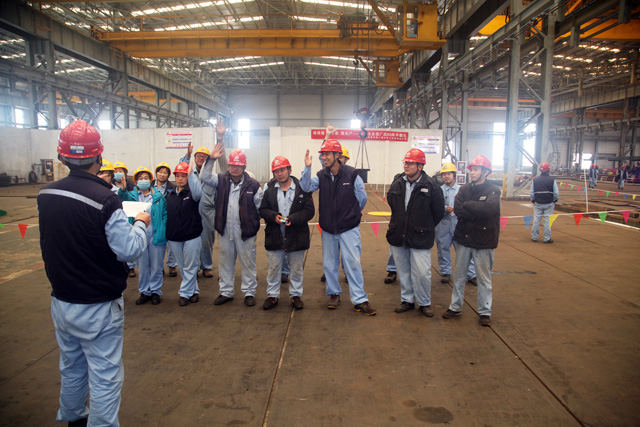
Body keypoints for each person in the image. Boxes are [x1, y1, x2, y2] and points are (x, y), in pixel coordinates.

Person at [38, 120, 149, 426]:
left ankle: (74, 417)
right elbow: (128, 250)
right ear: (99, 156)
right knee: (105, 375)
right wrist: (141, 224)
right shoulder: (105, 199)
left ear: (62, 157)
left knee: (72, 366)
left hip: (62, 300)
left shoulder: (46, 194)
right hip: (98, 304)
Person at [300, 139, 376, 315]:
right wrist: (307, 168)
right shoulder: (321, 175)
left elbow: (362, 199)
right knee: (329, 264)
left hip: (348, 228)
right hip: (328, 229)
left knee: (352, 263)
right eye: (322, 154)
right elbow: (306, 187)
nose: (324, 157)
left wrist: (351, 214)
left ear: (337, 155)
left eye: (327, 154)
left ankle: (360, 299)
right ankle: (334, 293)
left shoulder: (352, 174)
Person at [200, 147, 264, 307]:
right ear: (228, 166)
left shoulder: (253, 185)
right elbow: (204, 176)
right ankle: (226, 292)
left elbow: (260, 207)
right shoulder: (221, 180)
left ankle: (249, 292)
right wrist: (211, 159)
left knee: (248, 262)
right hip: (225, 229)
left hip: (246, 232)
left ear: (244, 167)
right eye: (232, 165)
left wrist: (252, 223)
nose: (234, 168)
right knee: (225, 262)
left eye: (238, 165)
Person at [442, 154, 500, 327]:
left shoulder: (493, 190)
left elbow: (488, 210)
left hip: (483, 240)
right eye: (471, 170)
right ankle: (455, 307)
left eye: (475, 170)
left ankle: (484, 311)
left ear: (485, 172)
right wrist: (474, 208)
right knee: (459, 276)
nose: (472, 173)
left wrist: (468, 205)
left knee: (484, 278)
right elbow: (458, 209)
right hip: (464, 239)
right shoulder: (464, 189)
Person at [387, 148, 444, 316]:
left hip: (421, 236)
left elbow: (438, 212)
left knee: (422, 273)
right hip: (399, 234)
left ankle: (424, 302)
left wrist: (423, 226)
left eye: (410, 163)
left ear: (420, 166)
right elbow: (392, 203)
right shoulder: (397, 183)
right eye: (406, 162)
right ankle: (407, 300)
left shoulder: (431, 186)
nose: (406, 165)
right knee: (403, 271)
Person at [259, 156, 315, 310]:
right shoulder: (269, 190)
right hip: (275, 235)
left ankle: (295, 295)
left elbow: (309, 211)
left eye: (282, 170)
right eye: (276, 171)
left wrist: (294, 219)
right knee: (274, 268)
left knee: (296, 268)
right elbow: (263, 209)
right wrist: (273, 216)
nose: (280, 173)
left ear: (289, 170)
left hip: (297, 236)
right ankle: (272, 295)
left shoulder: (302, 189)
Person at [181, 126, 228, 278]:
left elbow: (223, 163)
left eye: (204, 156)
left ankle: (206, 266)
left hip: (208, 211)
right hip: (190, 209)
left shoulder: (212, 176)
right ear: (194, 158)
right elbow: (181, 167)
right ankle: (193, 267)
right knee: (191, 240)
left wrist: (220, 138)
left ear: (208, 159)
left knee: (207, 239)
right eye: (198, 156)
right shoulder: (189, 172)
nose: (201, 158)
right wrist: (187, 155)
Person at [117, 167, 168, 305]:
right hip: (139, 235)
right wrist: (123, 189)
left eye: (146, 178)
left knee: (156, 266)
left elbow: (164, 214)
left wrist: (163, 229)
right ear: (136, 181)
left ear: (151, 180)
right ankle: (145, 291)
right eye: (140, 178)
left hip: (155, 235)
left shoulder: (158, 196)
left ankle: (156, 291)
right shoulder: (132, 196)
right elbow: (122, 199)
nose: (143, 180)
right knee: (143, 266)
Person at [165, 161, 203, 306]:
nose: (180, 179)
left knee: (190, 266)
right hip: (174, 237)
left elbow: (198, 192)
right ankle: (194, 291)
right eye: (178, 176)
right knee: (182, 267)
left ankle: (185, 293)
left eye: (183, 176)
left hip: (191, 235)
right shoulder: (170, 195)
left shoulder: (193, 194)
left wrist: (192, 174)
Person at [435, 162, 477, 285]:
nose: (446, 176)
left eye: (449, 174)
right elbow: (435, 206)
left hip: (459, 224)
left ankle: (471, 274)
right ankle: (445, 273)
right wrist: (445, 208)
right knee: (442, 249)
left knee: (464, 250)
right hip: (443, 224)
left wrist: (458, 209)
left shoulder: (462, 190)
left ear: (454, 175)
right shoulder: (438, 190)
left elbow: (468, 206)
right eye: (444, 174)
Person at [153, 162, 178, 277]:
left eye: (165, 173)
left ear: (168, 175)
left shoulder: (173, 188)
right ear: (156, 173)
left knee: (171, 243)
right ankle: (159, 266)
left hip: (169, 217)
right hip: (155, 218)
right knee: (157, 245)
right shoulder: (149, 186)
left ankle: (172, 265)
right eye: (160, 172)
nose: (162, 174)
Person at [114, 160, 137, 278]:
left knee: (128, 242)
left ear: (125, 173)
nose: (118, 173)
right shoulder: (109, 185)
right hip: (115, 216)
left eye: (120, 171)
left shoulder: (131, 187)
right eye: (116, 171)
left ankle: (130, 267)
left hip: (128, 217)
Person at [530, 161, 559, 244]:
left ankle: (534, 237)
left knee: (536, 220)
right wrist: (555, 200)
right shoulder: (552, 180)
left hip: (537, 203)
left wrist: (533, 200)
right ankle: (546, 238)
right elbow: (556, 193)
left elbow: (532, 193)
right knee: (547, 221)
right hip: (549, 203)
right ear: (549, 170)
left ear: (540, 170)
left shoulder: (535, 180)